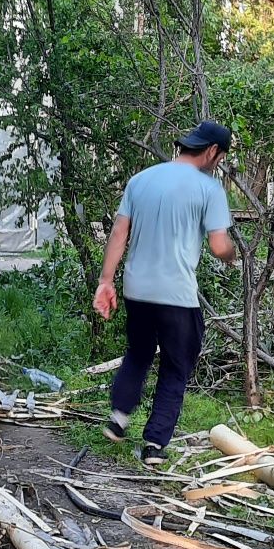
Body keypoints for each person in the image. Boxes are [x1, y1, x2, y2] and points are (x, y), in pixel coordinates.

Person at [93, 119, 237, 464]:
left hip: (136, 290)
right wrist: (232, 254)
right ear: (213, 152)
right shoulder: (209, 189)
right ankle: (155, 444)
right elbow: (219, 247)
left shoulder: (140, 180)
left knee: (139, 352)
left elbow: (118, 233)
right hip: (177, 294)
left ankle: (119, 418)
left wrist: (106, 280)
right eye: (220, 159)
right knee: (177, 365)